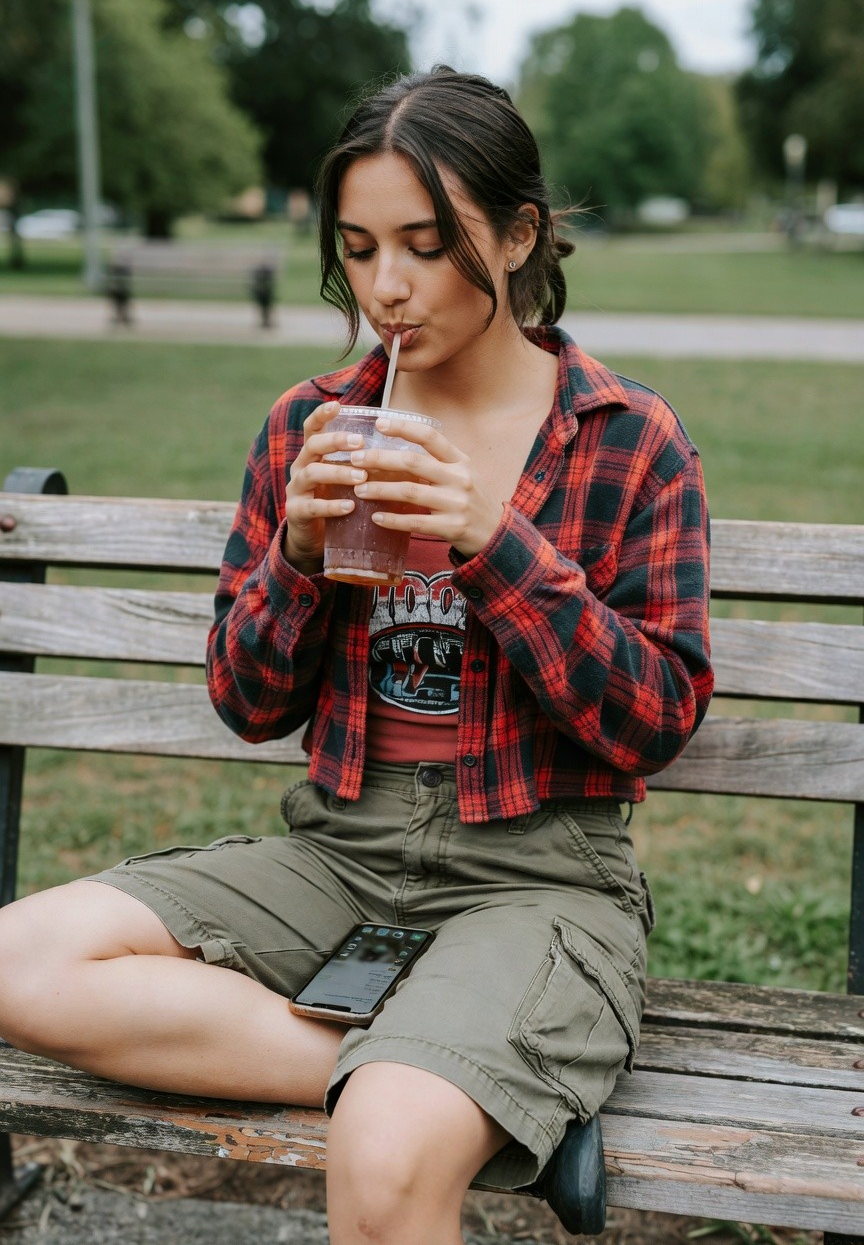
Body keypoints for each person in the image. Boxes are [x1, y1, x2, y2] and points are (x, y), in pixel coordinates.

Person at [0, 67, 713, 1243]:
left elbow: (656, 721)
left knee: (384, 1158)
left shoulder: (626, 439)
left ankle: (433, 1079)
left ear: (520, 234)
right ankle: (446, 1066)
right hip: (341, 852)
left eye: (427, 247)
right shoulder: (314, 424)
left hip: (541, 873)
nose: (387, 288)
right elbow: (246, 703)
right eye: (360, 248)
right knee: (19, 962)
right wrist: (294, 555)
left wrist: (493, 541)